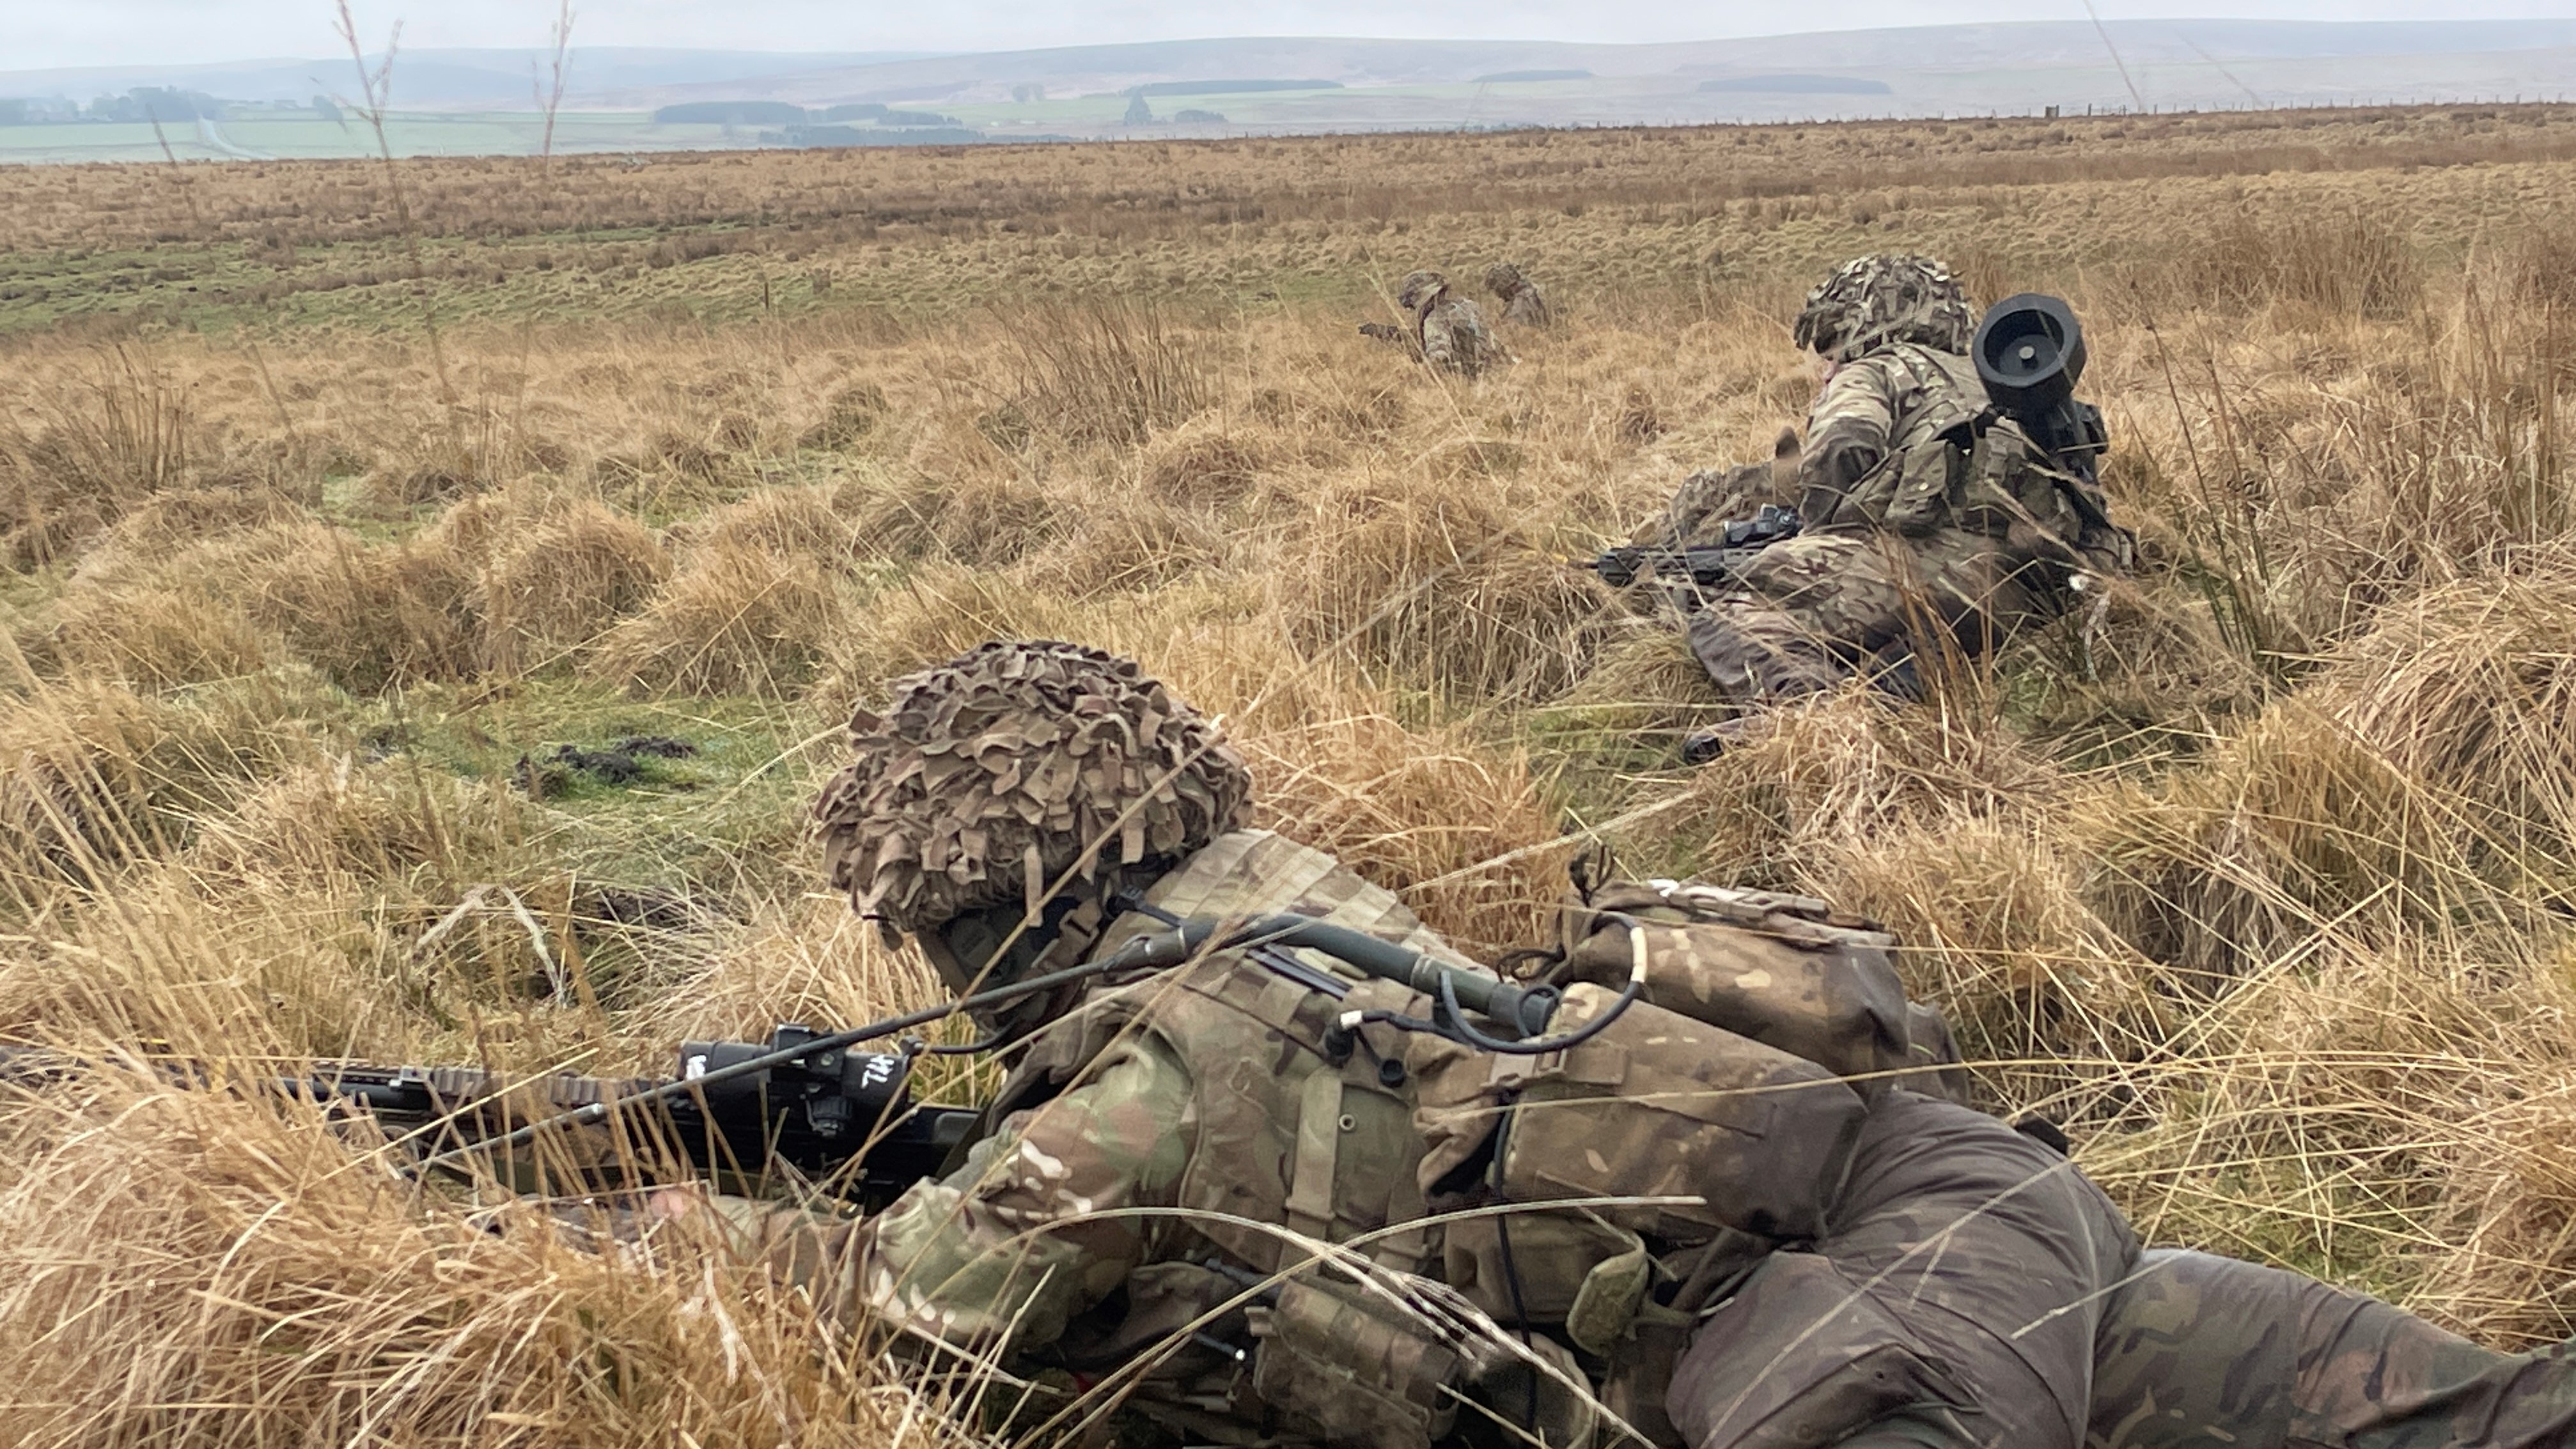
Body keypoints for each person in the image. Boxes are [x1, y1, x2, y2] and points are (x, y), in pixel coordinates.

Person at [1679, 255, 2130, 761]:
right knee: (1899, 641)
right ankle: (1892, 687)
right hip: (2029, 595)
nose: (1826, 367)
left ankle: (1818, 716)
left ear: (1865, 320)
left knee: (1735, 612)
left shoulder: (1880, 368)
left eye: (1829, 352)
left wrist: (1816, 539)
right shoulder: (1997, 378)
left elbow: (1842, 448)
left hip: (1931, 566)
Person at [1361, 270, 1505, 376]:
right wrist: (1384, 332)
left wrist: (1418, 377)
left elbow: (1439, 359)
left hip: (1475, 380)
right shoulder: (1468, 305)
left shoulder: (1434, 320)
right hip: (1501, 370)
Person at [1485, 263, 1552, 327]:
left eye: (1497, 290)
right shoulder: (1530, 293)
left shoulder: (1519, 304)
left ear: (1502, 286)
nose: (1499, 296)